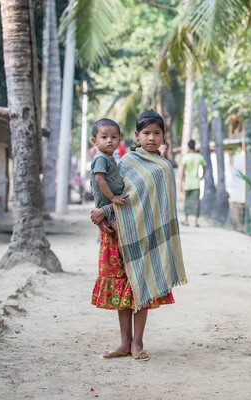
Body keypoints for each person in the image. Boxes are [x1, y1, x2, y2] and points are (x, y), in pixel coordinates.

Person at [89, 110, 187, 361]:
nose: (151, 138)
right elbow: (120, 193)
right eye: (146, 133)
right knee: (123, 288)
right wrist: (106, 211)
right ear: (136, 136)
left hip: (145, 236)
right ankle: (123, 343)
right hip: (119, 233)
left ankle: (137, 342)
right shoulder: (125, 162)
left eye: (157, 133)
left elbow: (147, 202)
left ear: (164, 136)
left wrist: (104, 210)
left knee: (141, 286)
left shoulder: (164, 168)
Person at [90, 119, 128, 231]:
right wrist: (113, 197)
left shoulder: (109, 158)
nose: (109, 140)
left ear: (119, 140)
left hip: (112, 205)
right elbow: (99, 179)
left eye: (114, 137)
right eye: (104, 137)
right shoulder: (101, 158)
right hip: (109, 206)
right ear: (94, 141)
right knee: (123, 235)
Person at [179, 139, 206, 227]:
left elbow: (182, 171)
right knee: (196, 202)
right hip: (196, 183)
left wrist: (181, 182)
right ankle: (195, 221)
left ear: (188, 147)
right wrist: (202, 175)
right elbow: (204, 166)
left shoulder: (186, 157)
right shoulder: (199, 157)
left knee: (187, 202)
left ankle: (186, 220)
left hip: (188, 183)